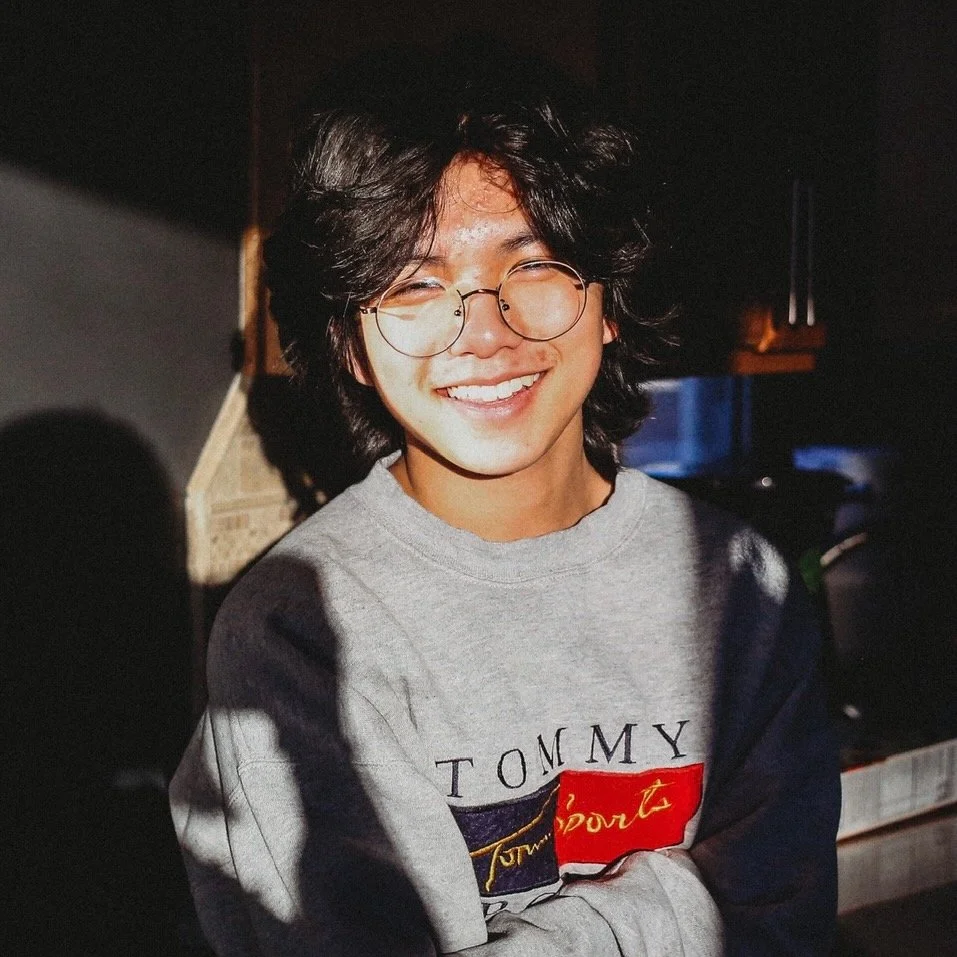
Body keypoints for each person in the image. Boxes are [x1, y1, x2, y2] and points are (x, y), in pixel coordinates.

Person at [170, 43, 841, 957]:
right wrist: (678, 903)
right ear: (352, 348)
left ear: (607, 301)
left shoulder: (741, 588)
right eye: (413, 285)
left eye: (534, 267)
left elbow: (780, 929)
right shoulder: (299, 631)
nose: (483, 333)